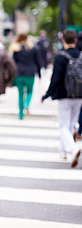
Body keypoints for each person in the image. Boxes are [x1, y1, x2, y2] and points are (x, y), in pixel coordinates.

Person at [42, 29, 82, 167]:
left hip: (64, 95)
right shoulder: (81, 55)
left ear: (63, 41)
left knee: (63, 125)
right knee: (71, 123)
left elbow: (56, 79)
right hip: (79, 95)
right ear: (75, 41)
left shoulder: (60, 57)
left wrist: (47, 94)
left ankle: (72, 148)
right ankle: (63, 151)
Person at [9, 33, 41, 120]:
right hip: (30, 73)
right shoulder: (33, 49)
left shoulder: (16, 49)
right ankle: (26, 104)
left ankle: (21, 114)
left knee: (20, 94)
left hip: (19, 74)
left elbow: (12, 63)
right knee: (30, 91)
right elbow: (38, 62)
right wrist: (39, 74)